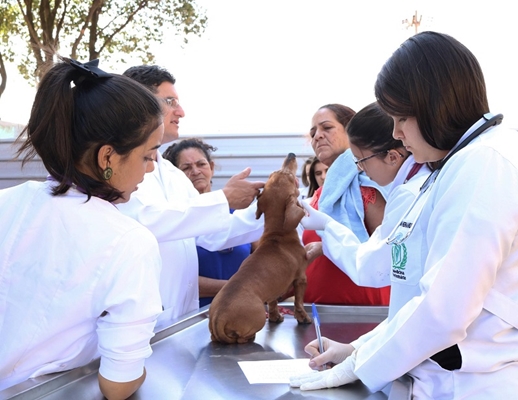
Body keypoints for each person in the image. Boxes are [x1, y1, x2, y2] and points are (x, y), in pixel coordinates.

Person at [290, 31, 518, 398]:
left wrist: (359, 362)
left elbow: (441, 310)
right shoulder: (455, 166)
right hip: (439, 379)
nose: (396, 133)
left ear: (434, 106)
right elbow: (417, 296)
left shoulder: (483, 165)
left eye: (401, 118)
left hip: (469, 386)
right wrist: (360, 350)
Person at [0, 58, 164, 399]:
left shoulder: (8, 203)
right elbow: (117, 386)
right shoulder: (128, 243)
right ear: (108, 158)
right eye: (149, 155)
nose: (151, 169)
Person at [117, 65, 264, 322]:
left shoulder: (173, 175)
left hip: (180, 319)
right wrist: (224, 199)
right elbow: (144, 221)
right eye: (170, 101)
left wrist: (269, 211)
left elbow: (210, 234)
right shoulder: (119, 165)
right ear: (140, 104)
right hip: (136, 323)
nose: (181, 112)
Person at [301, 103, 390, 305]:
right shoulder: (319, 196)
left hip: (365, 314)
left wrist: (326, 247)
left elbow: (388, 250)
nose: (317, 136)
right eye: (313, 132)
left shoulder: (373, 185)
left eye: (327, 128)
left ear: (352, 128)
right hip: (315, 314)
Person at [162, 138, 254, 307]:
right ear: (175, 176)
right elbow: (177, 279)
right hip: (196, 316)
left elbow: (263, 254)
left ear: (211, 167)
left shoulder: (238, 211)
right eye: (186, 168)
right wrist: (239, 287)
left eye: (201, 164)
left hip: (244, 309)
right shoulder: (176, 219)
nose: (195, 171)